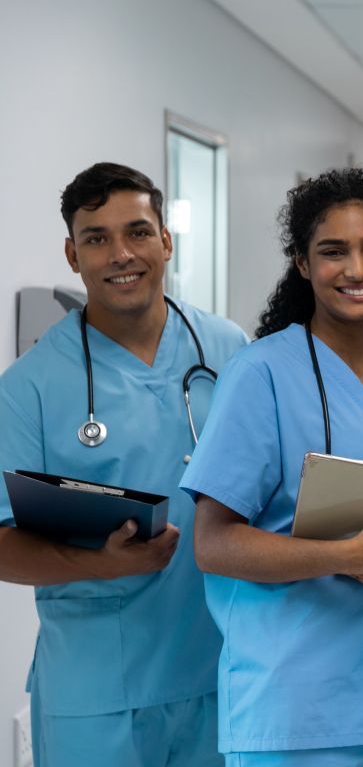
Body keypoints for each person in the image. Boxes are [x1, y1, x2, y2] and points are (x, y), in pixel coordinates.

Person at [179, 168, 363, 766]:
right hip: (296, 711)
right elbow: (213, 543)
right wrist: (349, 555)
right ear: (302, 264)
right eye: (333, 251)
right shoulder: (261, 375)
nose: (358, 269)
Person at [0, 162, 247, 766]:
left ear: (166, 239)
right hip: (97, 688)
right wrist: (98, 563)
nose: (120, 254)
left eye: (137, 232)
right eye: (96, 238)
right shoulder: (28, 387)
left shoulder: (230, 350)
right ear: (71, 253)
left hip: (223, 673)